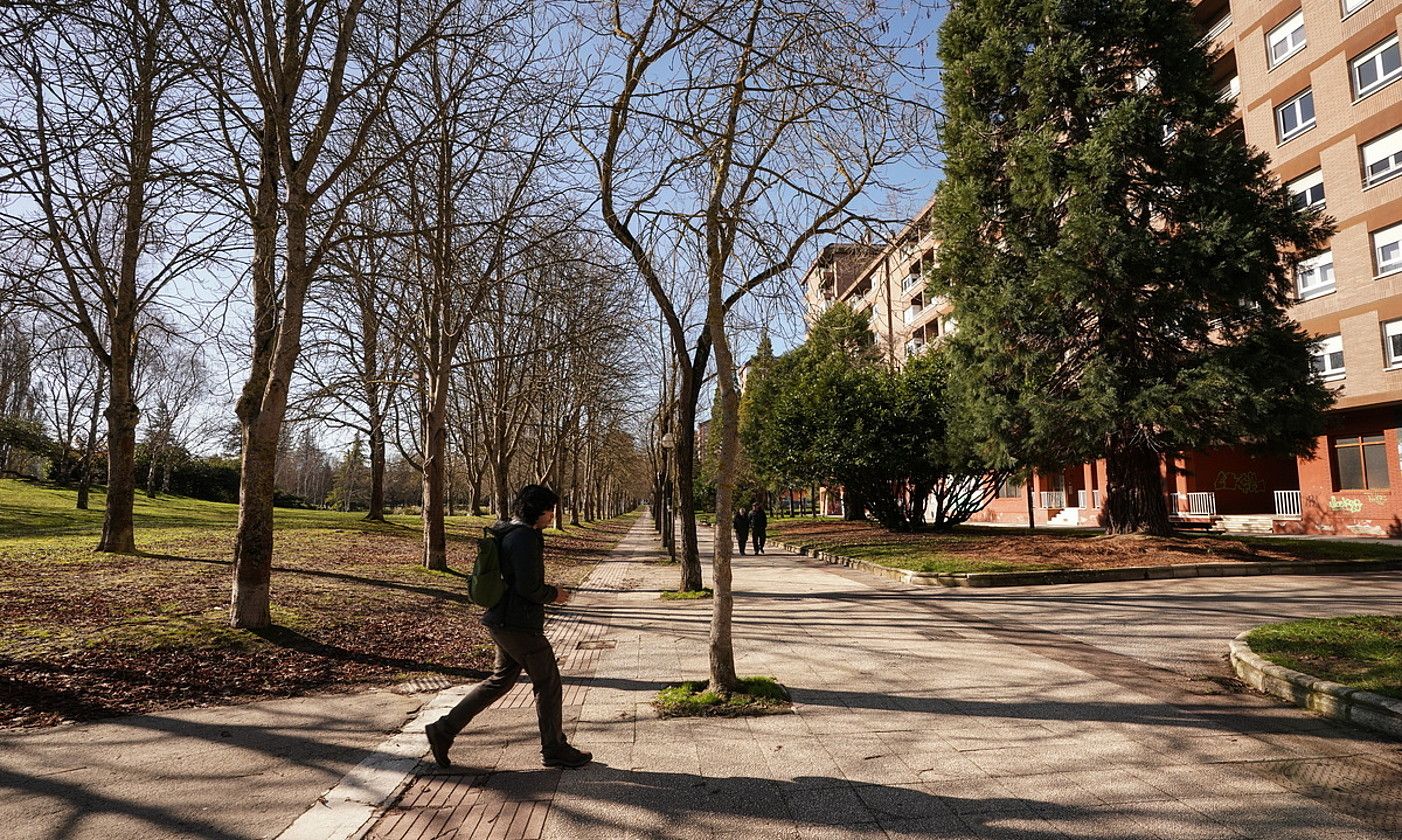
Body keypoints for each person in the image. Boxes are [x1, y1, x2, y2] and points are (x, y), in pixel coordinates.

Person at [425, 484, 591, 770]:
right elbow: (528, 587)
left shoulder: (511, 531)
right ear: (536, 511)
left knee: (499, 681)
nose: (553, 516)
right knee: (548, 682)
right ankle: (554, 748)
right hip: (519, 625)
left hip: (502, 621)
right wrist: (555, 594)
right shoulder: (524, 537)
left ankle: (443, 730)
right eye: (550, 510)